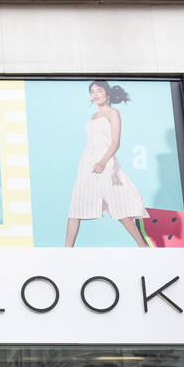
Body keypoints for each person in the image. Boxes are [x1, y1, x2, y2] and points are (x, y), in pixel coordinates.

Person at [66, 81, 149, 248]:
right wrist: (92, 163)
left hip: (106, 163)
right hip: (87, 164)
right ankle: (66, 251)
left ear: (107, 93)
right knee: (76, 206)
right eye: (92, 92)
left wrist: (103, 162)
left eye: (99, 91)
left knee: (119, 207)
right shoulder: (93, 117)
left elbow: (115, 142)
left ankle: (143, 246)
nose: (95, 94)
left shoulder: (113, 113)